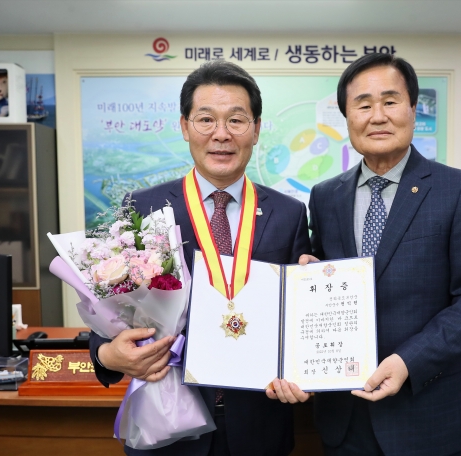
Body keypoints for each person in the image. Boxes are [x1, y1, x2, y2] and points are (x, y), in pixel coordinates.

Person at [89, 60, 311, 456]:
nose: (221, 134)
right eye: (206, 119)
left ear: (256, 129)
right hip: (169, 420)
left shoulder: (289, 213)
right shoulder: (142, 207)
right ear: (185, 126)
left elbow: (299, 320)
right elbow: (111, 310)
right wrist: (108, 354)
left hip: (259, 421)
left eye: (236, 121)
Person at [298, 53, 461, 455]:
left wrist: (409, 360)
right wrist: (310, 276)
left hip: (426, 411)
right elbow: (324, 279)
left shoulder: (459, 190)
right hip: (343, 415)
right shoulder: (325, 196)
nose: (378, 116)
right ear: (346, 116)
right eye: (363, 105)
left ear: (412, 108)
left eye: (390, 101)